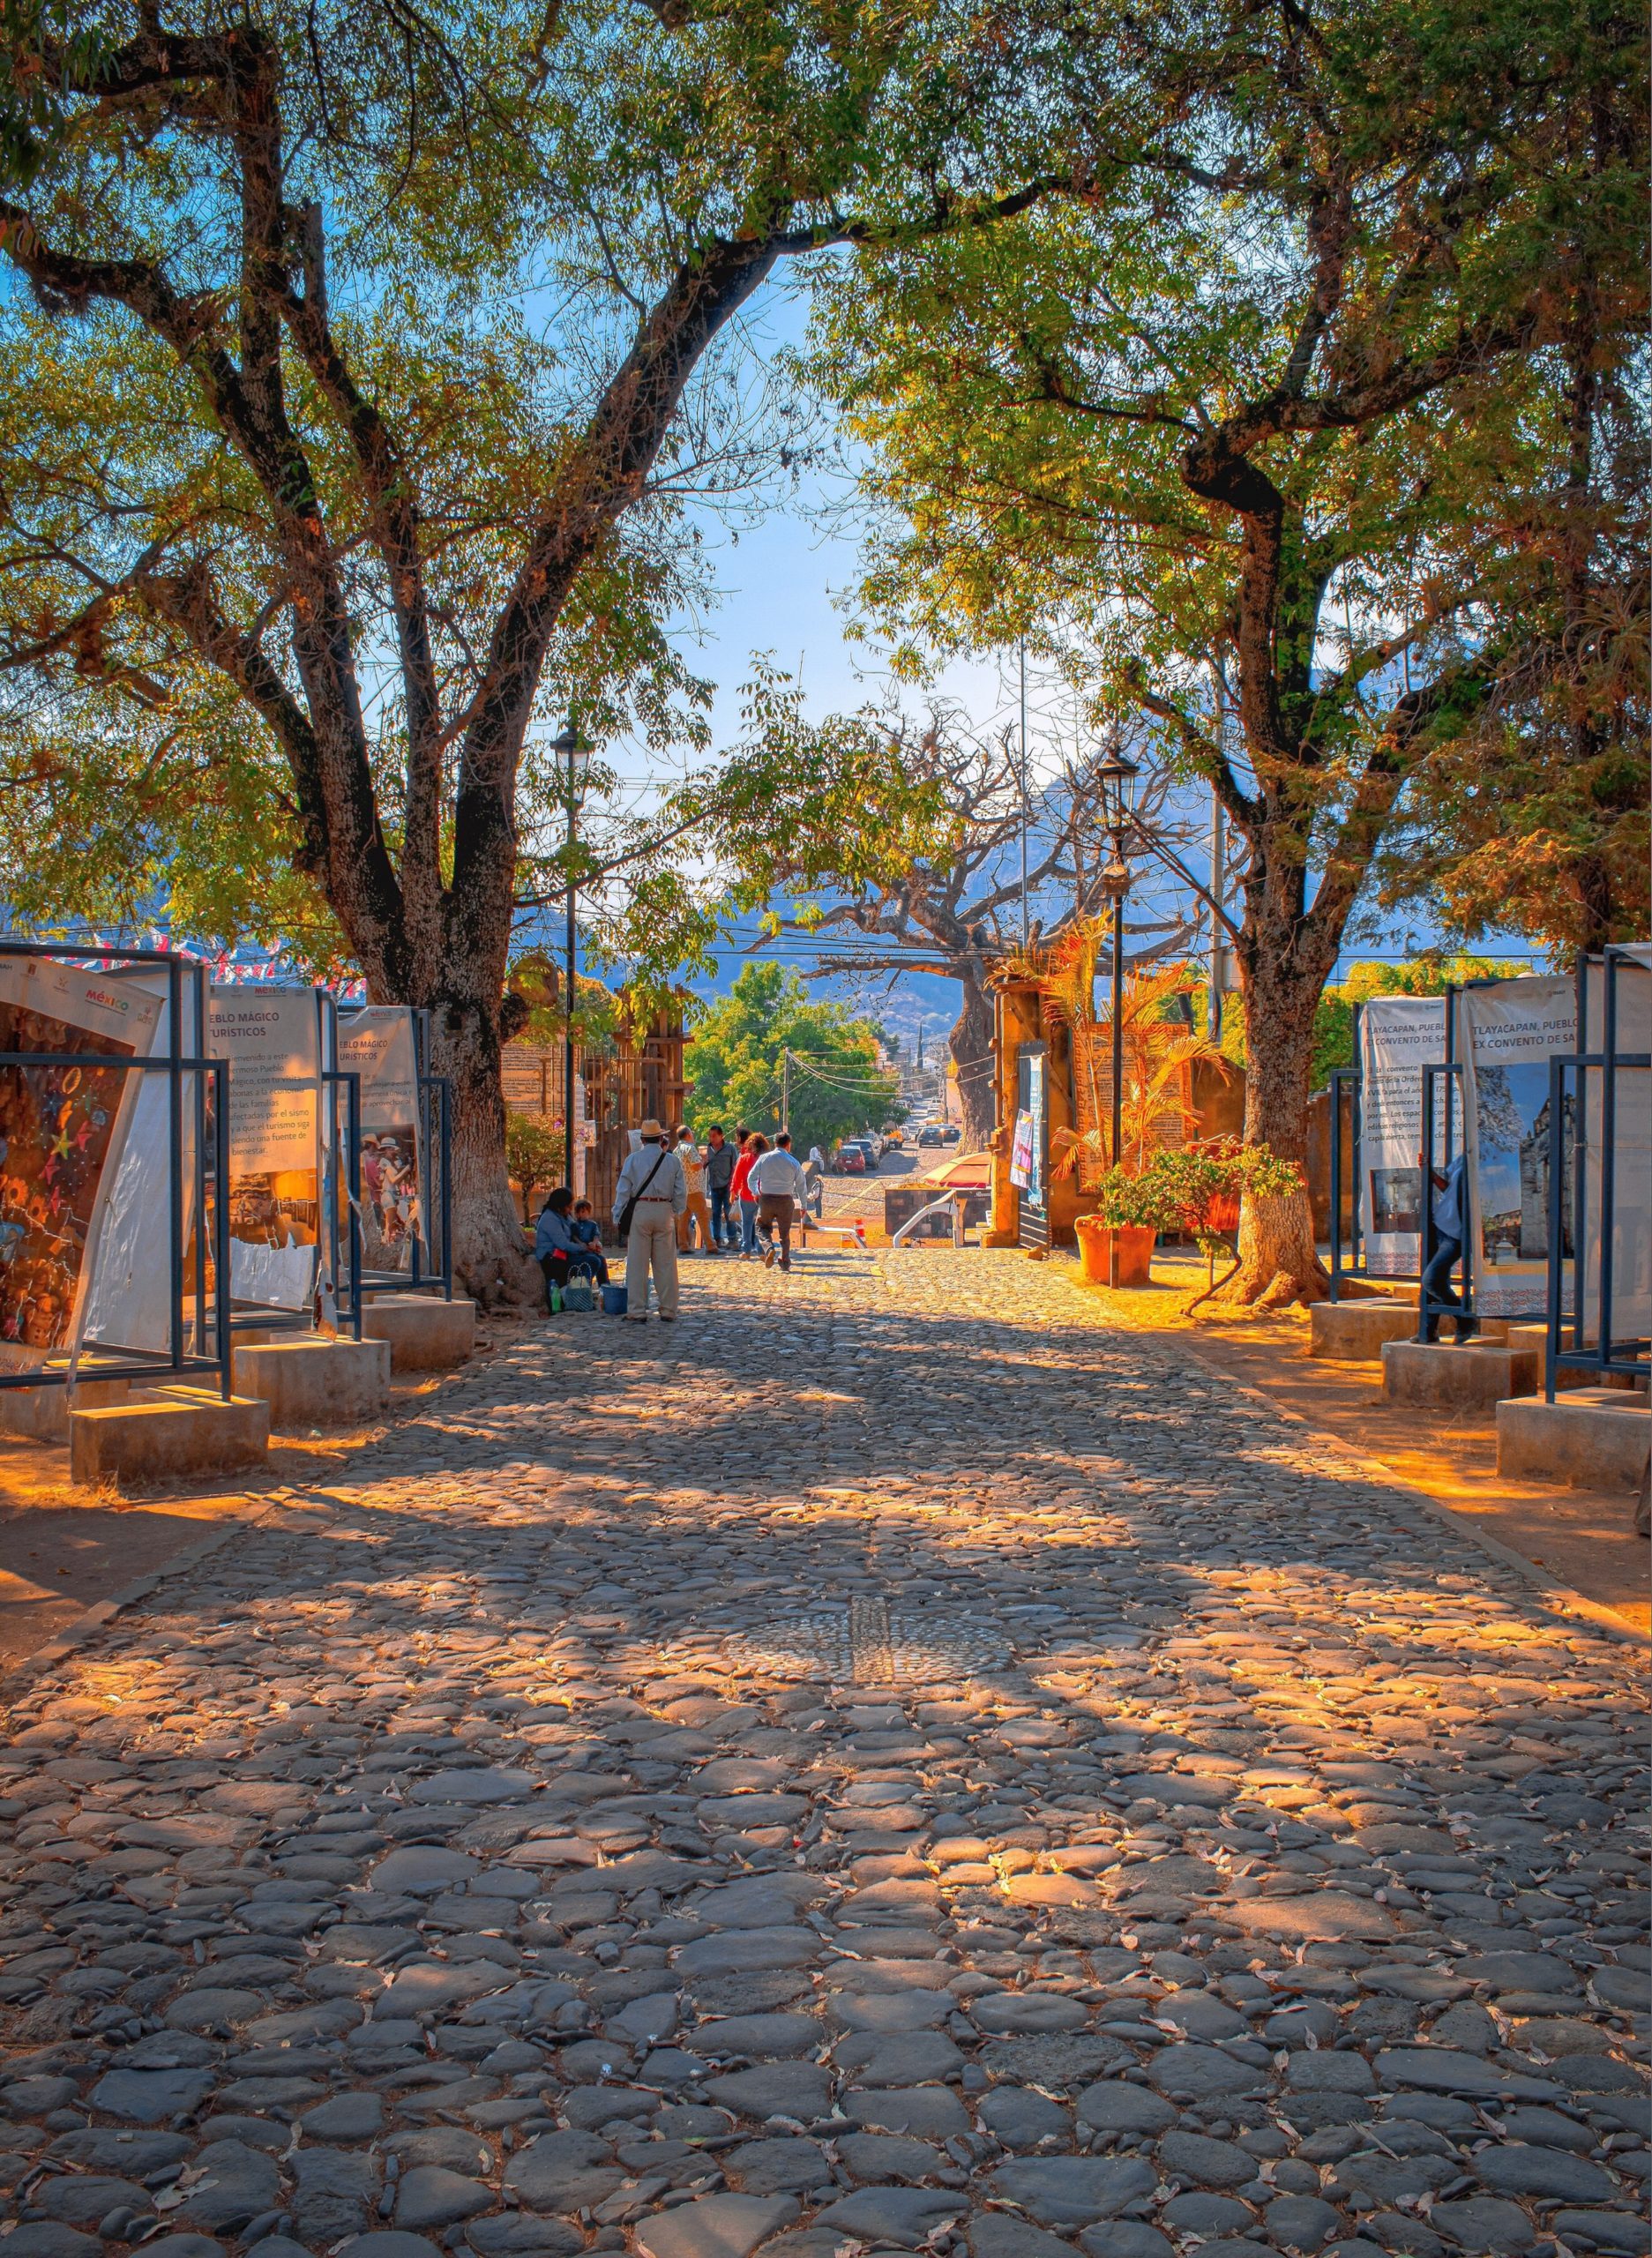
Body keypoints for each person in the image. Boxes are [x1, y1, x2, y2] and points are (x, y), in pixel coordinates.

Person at [613, 1118, 686, 1321]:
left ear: (643, 1140)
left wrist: (617, 1214)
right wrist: (676, 1211)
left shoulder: (633, 1160)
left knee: (638, 1263)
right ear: (661, 1138)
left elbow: (623, 1191)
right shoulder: (672, 1161)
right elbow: (680, 1191)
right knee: (666, 1264)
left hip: (641, 1210)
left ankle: (636, 1310)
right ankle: (668, 1309)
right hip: (664, 1210)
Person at [1419, 1147, 1475, 1343]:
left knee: (1431, 1280)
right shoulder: (1461, 1159)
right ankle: (1428, 1331)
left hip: (1457, 1234)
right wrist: (1429, 1172)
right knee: (1431, 1283)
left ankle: (1465, 1319)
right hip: (1440, 1226)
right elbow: (1449, 1188)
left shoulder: (1478, 1159)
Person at [535, 1186, 607, 1305]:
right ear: (560, 1206)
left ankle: (605, 1293)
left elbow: (576, 1232)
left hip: (565, 1254)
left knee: (600, 1259)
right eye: (569, 1207)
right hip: (553, 1259)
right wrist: (583, 1248)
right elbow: (563, 1244)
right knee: (592, 1261)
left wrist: (593, 1245)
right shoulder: (549, 1218)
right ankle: (580, 1295)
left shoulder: (564, 1215)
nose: (570, 1210)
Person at [749, 1131, 809, 1271]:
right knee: (784, 1234)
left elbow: (751, 1178)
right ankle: (785, 1260)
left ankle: (768, 1247)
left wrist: (756, 1192)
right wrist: (804, 1205)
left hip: (766, 1199)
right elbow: (801, 1185)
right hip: (785, 1201)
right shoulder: (793, 1162)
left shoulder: (764, 1158)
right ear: (788, 1145)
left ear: (775, 1143)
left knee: (761, 1227)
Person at [675, 1129, 714, 1254]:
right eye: (691, 1133)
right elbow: (695, 1166)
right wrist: (703, 1159)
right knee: (703, 1217)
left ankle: (683, 1245)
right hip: (695, 1189)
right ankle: (710, 1246)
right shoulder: (690, 1148)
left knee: (683, 1219)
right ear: (688, 1135)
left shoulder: (676, 1150)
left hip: (683, 1190)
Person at [729, 1133, 762, 1260]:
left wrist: (733, 1192)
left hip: (746, 1196)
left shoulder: (744, 1158)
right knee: (760, 1225)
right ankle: (761, 1250)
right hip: (762, 1196)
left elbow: (736, 1177)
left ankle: (746, 1251)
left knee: (746, 1224)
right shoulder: (765, 1159)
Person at [703, 1124, 736, 1250]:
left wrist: (733, 1184)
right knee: (715, 1213)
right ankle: (717, 1239)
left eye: (714, 1136)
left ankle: (732, 1239)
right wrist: (703, 1161)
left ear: (721, 1136)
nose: (711, 1138)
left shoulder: (730, 1149)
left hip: (727, 1186)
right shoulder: (708, 1149)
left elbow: (734, 1166)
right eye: (710, 1136)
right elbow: (702, 1167)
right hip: (714, 1186)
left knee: (729, 1213)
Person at [569, 1199, 609, 1282]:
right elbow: (573, 1236)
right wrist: (580, 1244)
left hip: (590, 1249)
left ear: (589, 1212)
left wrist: (594, 1243)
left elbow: (596, 1235)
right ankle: (586, 1285)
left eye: (583, 1212)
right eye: (578, 1212)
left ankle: (604, 1285)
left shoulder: (592, 1224)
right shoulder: (574, 1225)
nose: (580, 1214)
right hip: (578, 1251)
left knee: (601, 1260)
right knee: (592, 1261)